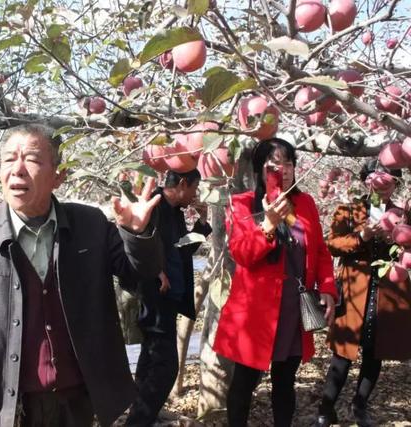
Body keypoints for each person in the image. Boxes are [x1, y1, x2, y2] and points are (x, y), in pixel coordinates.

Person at [0, 123, 164, 427]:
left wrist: (135, 233)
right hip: (7, 405)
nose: (17, 170)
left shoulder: (90, 225)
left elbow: (140, 274)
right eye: (8, 159)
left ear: (59, 176)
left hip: (76, 401)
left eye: (31, 159)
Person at [213, 137, 337, 427]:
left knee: (285, 380)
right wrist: (267, 224)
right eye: (274, 165)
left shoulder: (305, 203)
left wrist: (329, 287)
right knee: (244, 382)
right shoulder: (243, 205)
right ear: (260, 170)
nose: (283, 171)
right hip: (255, 313)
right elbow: (242, 254)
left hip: (292, 310)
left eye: (289, 164)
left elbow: (319, 251)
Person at [313, 160, 411, 427]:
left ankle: (360, 405)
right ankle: (325, 409)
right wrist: (362, 237)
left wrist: (401, 241)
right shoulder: (350, 210)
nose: (385, 186)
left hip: (388, 295)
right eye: (380, 179)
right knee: (343, 353)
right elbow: (332, 244)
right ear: (368, 181)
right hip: (356, 293)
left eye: (392, 180)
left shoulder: (403, 214)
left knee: (374, 353)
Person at [125, 170, 212, 426]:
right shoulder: (153, 204)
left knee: (150, 357)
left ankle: (141, 411)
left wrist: (203, 223)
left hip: (169, 298)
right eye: (195, 188)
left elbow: (182, 249)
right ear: (183, 184)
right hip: (154, 297)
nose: (196, 194)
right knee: (166, 366)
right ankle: (138, 420)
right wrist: (155, 269)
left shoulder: (174, 212)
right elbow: (136, 242)